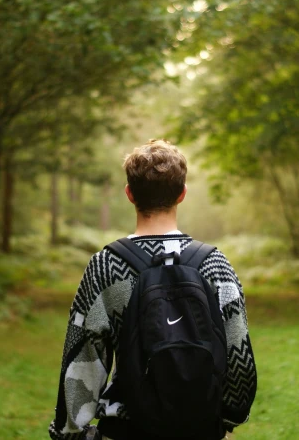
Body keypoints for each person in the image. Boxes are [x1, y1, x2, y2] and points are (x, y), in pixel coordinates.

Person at [48, 139, 257, 440]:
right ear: (182, 194)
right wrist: (225, 418)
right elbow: (239, 353)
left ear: (130, 194)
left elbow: (84, 356)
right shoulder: (215, 264)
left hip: (128, 429)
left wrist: (73, 430)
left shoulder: (106, 265)